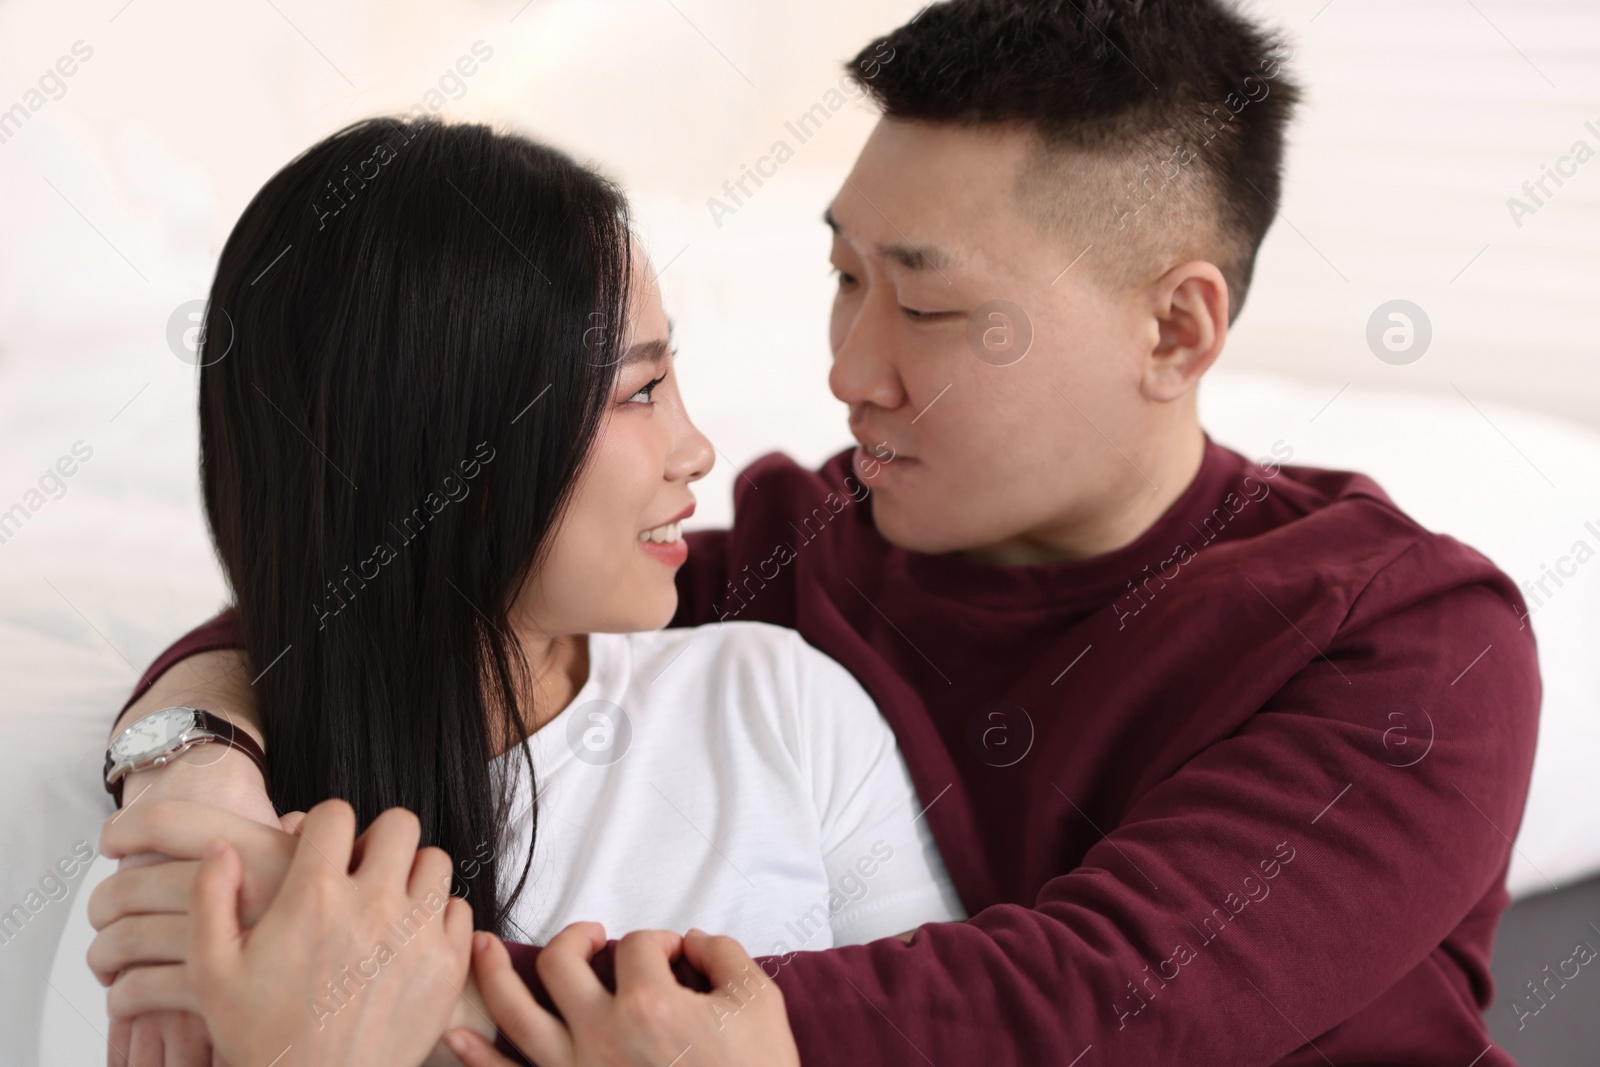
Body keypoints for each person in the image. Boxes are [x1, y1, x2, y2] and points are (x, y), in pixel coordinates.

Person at [96, 1, 1542, 1065]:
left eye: (922, 304)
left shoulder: (1409, 637)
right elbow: (431, 570)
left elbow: (1108, 993)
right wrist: (197, 763)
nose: (852, 365)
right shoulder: (819, 543)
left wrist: (378, 988)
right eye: (843, 276)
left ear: (1175, 326)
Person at [89, 115, 964, 1064]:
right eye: (638, 391)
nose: (698, 449)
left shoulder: (784, 709)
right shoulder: (195, 867)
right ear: (444, 453)